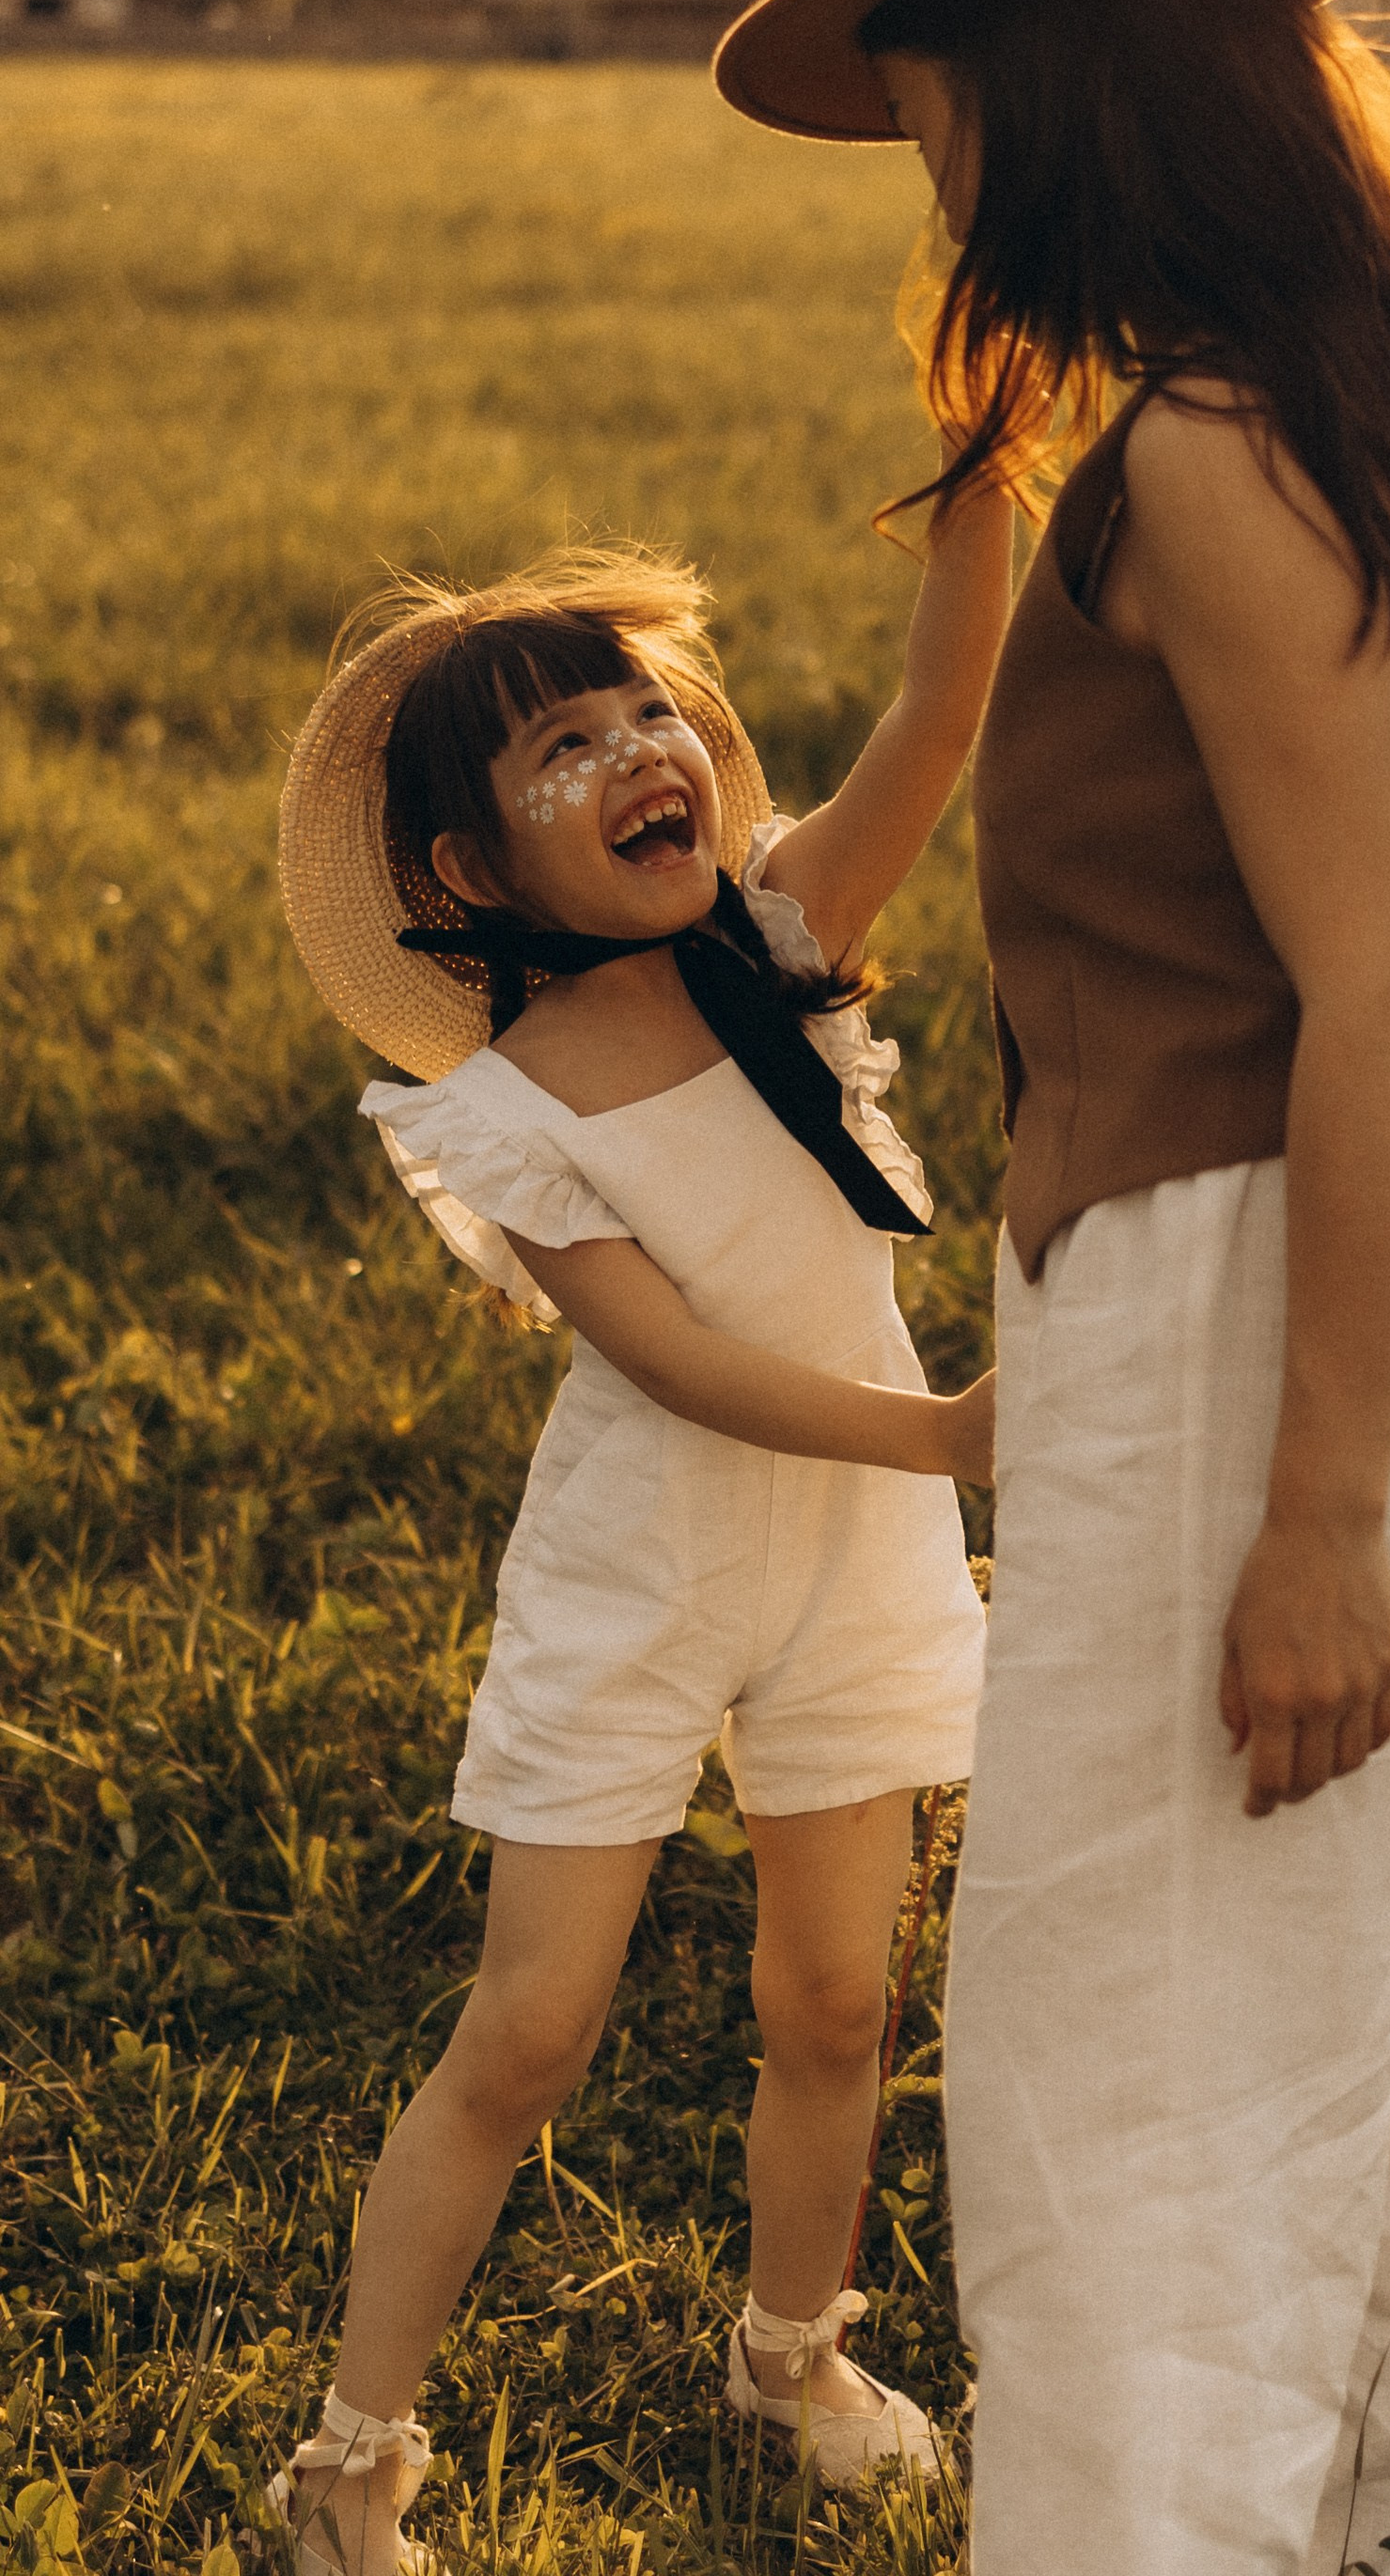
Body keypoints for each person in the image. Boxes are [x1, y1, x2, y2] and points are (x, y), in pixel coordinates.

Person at [713, 0, 1390, 2573]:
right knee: (1340, 2018)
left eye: (933, 69)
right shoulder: (1331, 383)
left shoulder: (1225, 450)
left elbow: (1367, 995)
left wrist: (1320, 1516)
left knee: (1140, 2057)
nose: (924, 144)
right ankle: (1357, 2522)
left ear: (1065, 52)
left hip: (1279, 1298)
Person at [271, 526, 1007, 2572]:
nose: (630, 753)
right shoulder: (511, 1107)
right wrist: (944, 1434)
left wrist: (977, 489)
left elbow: (934, 719)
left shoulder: (774, 951)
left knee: (839, 1999)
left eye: (640, 714)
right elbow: (672, 1361)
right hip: (644, 1579)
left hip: (853, 1561)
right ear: (465, 877)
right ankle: (349, 2465)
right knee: (529, 2030)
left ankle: (791, 2356)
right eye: (557, 753)